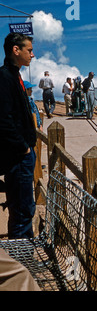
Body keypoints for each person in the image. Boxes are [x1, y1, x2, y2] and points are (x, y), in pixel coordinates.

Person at [0, 32, 37, 239]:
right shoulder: (5, 77)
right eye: (29, 50)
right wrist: (23, 147)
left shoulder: (14, 75)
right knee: (23, 210)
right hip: (18, 157)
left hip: (21, 155)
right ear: (16, 50)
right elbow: (4, 120)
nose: (32, 55)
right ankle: (23, 264)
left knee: (23, 208)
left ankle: (22, 260)